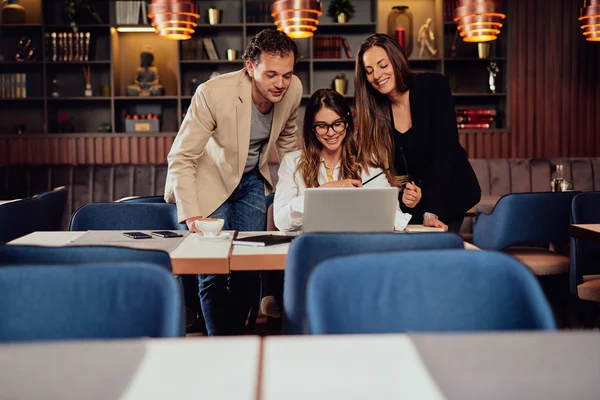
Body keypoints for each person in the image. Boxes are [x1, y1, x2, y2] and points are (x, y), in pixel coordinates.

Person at [164, 29, 303, 336]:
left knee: (249, 266)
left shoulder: (292, 90)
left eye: (287, 74)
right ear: (249, 67)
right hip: (210, 181)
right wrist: (192, 215)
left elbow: (290, 143)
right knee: (212, 270)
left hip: (251, 178)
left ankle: (233, 338)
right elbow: (182, 156)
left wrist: (302, 191)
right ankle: (221, 346)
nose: (280, 83)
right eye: (271, 75)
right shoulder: (212, 93)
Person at [354, 33, 480, 233]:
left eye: (383, 65)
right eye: (369, 71)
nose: (377, 75)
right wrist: (404, 194)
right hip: (412, 207)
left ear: (397, 60)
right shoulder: (376, 113)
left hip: (449, 195)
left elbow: (445, 153)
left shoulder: (433, 86)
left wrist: (432, 211)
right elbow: (390, 170)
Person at [274, 88, 412, 232]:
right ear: (312, 129)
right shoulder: (292, 162)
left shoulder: (367, 162)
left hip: (355, 246)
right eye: (322, 126)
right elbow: (281, 221)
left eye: (337, 123)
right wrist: (323, 192)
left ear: (347, 123)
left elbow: (394, 216)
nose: (331, 132)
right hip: (312, 246)